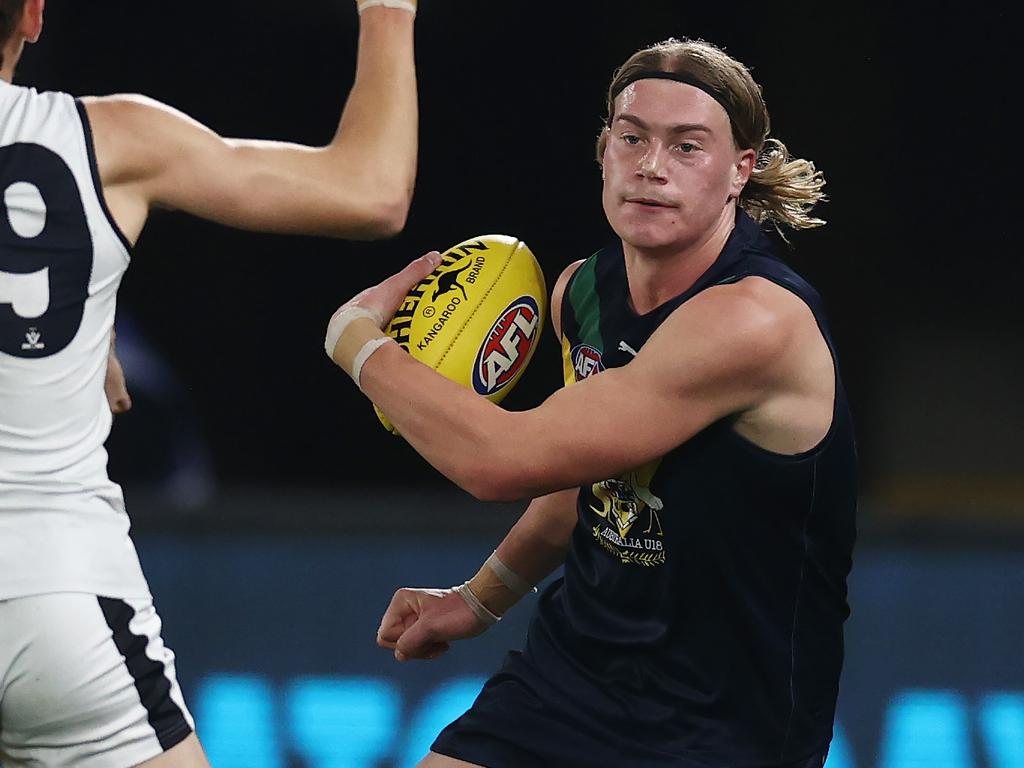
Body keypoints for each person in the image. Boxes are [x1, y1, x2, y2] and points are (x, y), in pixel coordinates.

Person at [325, 37, 857, 768]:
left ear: (741, 170)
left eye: (687, 146)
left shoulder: (754, 322)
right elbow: (579, 475)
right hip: (572, 677)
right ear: (604, 150)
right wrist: (479, 599)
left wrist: (356, 342)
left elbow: (501, 461)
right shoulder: (581, 292)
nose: (651, 166)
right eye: (632, 138)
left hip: (723, 727)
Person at [0, 0, 419, 764]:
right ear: (33, 18)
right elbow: (370, 191)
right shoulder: (110, 138)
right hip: (47, 591)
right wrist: (388, 13)